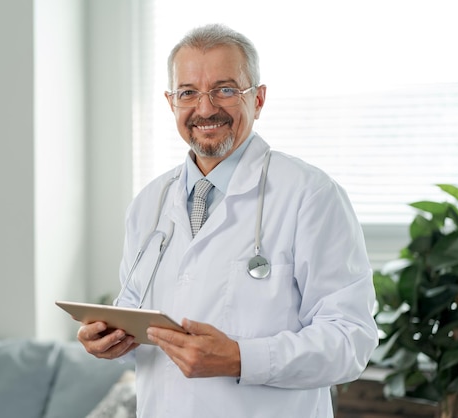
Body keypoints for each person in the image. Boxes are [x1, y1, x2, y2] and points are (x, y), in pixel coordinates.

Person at [77, 23, 378, 417]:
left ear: (259, 99)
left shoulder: (310, 195)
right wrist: (109, 342)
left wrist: (241, 358)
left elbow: (350, 339)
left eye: (225, 90)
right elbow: (135, 316)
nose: (205, 108)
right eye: (188, 93)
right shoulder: (149, 202)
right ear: (171, 103)